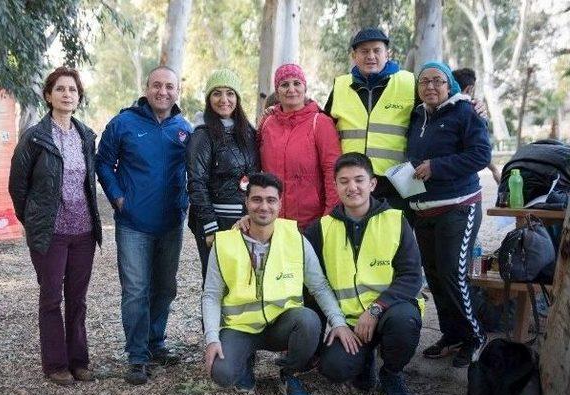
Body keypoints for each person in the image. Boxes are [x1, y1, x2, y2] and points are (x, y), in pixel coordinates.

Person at [202, 173, 358, 395]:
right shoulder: (225, 243)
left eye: (271, 200)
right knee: (222, 374)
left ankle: (289, 373)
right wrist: (212, 339)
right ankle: (245, 361)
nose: (264, 206)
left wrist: (338, 322)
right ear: (246, 203)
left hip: (281, 327)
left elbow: (319, 286)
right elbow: (211, 295)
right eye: (256, 199)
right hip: (241, 329)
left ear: (280, 203)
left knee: (309, 320)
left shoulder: (296, 239)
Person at [95, 66, 192, 385]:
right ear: (146, 88)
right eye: (156, 86)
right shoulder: (124, 123)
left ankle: (155, 342)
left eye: (169, 86)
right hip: (133, 223)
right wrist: (118, 198)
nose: (162, 91)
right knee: (136, 290)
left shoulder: (184, 128)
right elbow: (103, 162)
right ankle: (137, 356)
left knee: (165, 287)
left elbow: (196, 169)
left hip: (170, 222)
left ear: (178, 91)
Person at [305, 153, 423, 395]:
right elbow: (307, 280)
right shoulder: (321, 228)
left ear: (372, 184)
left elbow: (412, 276)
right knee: (334, 368)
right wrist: (245, 225)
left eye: (359, 180)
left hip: (391, 311)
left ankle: (392, 373)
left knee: (405, 322)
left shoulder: (395, 220)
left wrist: (376, 308)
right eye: (343, 181)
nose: (352, 187)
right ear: (335, 186)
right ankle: (364, 357)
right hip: (348, 321)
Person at [9, 66, 102, 385]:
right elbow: (18, 186)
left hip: (84, 231)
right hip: (50, 233)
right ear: (49, 96)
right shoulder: (34, 137)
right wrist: (34, 220)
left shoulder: (86, 136)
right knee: (51, 298)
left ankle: (79, 361)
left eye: (72, 90)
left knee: (78, 299)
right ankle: (55, 365)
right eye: (60, 89)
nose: (67, 95)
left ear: (79, 97)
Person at [326, 29, 487, 213]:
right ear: (354, 56)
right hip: (354, 182)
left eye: (376, 50)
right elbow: (323, 127)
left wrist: (474, 106)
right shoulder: (340, 85)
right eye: (364, 51)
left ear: (388, 54)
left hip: (397, 182)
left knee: (395, 239)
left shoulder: (409, 82)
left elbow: (449, 103)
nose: (371, 56)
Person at [407, 62, 491, 368]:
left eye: (437, 81)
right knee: (436, 277)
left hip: (459, 206)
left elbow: (481, 155)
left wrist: (436, 167)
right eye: (424, 82)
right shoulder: (417, 115)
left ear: (449, 85)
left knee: (454, 275)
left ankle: (475, 336)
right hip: (424, 211)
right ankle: (451, 335)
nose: (430, 87)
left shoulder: (465, 112)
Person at [186, 69, 260, 279]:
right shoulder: (202, 134)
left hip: (246, 219)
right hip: (217, 221)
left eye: (230, 93)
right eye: (217, 93)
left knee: (245, 281)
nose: (224, 99)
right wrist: (210, 227)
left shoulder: (248, 132)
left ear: (237, 97)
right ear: (209, 99)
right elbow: (196, 183)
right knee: (217, 283)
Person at [259, 63, 341, 230]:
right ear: (277, 90)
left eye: (297, 83)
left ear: (305, 88)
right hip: (272, 221)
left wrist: (330, 216)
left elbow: (332, 171)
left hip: (310, 222)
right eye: (284, 84)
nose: (291, 89)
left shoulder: (320, 123)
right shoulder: (268, 123)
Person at [452, 67, 501, 184]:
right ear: (470, 88)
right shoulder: (474, 110)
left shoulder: (438, 108)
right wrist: (494, 170)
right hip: (464, 184)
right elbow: (480, 149)